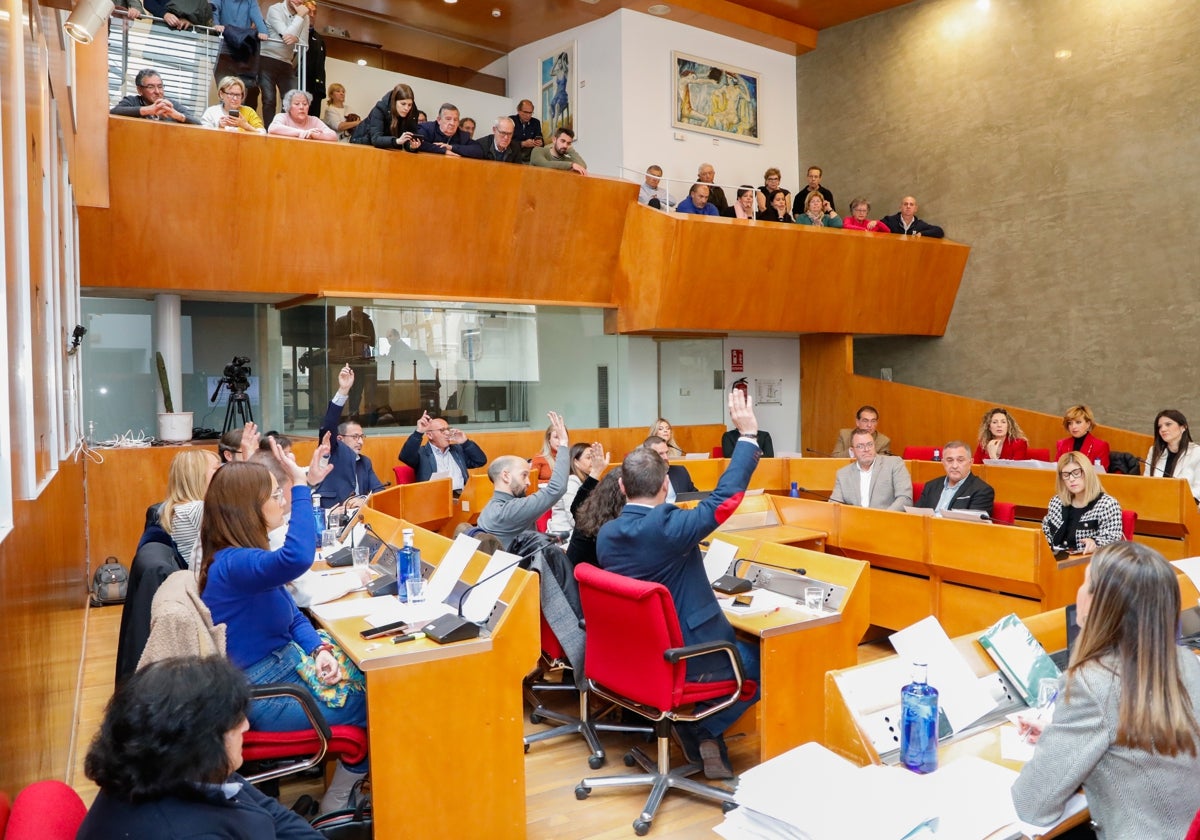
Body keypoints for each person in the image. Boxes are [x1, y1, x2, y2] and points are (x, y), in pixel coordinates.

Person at [597, 389, 763, 780]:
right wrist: (749, 437)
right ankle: (702, 728)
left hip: (637, 656)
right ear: (664, 485)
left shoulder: (608, 534)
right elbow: (723, 500)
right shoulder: (667, 527)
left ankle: (697, 731)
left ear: (622, 487)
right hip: (687, 656)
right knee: (763, 660)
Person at [199, 439, 368, 814]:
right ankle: (340, 801)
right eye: (276, 496)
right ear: (248, 508)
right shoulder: (233, 565)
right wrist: (301, 482)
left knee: (366, 671)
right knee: (385, 700)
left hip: (286, 667)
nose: (283, 502)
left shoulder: (246, 558)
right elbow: (297, 557)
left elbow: (291, 615)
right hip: (267, 693)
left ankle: (347, 790)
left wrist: (318, 649)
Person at [1011, 543, 1200, 838]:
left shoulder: (1094, 681)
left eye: (1085, 582)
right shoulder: (1186, 660)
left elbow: (1031, 805)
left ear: (1102, 604)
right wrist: (1061, 733)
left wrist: (1068, 734)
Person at [78, 656, 325, 839]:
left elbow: (272, 813)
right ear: (201, 739)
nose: (246, 726)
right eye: (235, 721)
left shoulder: (170, 767)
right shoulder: (186, 832)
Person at [477, 411, 571, 548]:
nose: (528, 482)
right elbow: (556, 489)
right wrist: (563, 443)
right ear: (506, 476)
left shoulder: (489, 509)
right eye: (524, 475)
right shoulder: (510, 510)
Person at [315, 365, 386, 510]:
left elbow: (379, 492)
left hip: (360, 518)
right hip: (333, 517)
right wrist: (343, 390)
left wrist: (365, 500)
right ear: (340, 439)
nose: (360, 441)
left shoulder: (365, 462)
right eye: (355, 437)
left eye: (362, 437)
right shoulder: (331, 451)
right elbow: (329, 424)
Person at [1041, 452, 1124, 552]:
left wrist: (1095, 543)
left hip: (1086, 563)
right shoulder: (1056, 502)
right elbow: (1045, 534)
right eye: (1066, 475)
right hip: (1054, 561)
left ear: (1087, 473)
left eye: (1076, 473)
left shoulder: (1107, 505)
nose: (1071, 479)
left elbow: (1113, 542)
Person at [398, 410, 487, 494]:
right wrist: (419, 432)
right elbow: (405, 456)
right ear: (429, 435)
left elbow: (480, 461)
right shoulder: (422, 453)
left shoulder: (457, 450)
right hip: (434, 500)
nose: (447, 433)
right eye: (442, 430)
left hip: (461, 498)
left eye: (448, 429)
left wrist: (465, 442)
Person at [161, 449, 222, 568]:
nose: (223, 473)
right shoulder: (196, 509)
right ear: (197, 476)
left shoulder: (180, 507)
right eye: (216, 469)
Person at [829, 428, 913, 510]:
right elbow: (834, 505)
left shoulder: (894, 464)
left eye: (870, 444)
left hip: (886, 521)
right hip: (854, 522)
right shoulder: (843, 474)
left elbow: (905, 499)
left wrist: (883, 517)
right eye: (860, 446)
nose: (866, 449)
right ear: (852, 451)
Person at [211, 0, 270, 112]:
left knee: (239, 95)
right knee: (226, 91)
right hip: (223, 50)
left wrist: (263, 31)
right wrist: (216, 24)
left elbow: (257, 16)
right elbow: (214, 9)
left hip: (242, 52)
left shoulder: (250, 1)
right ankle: (224, 124)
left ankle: (236, 125)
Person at [259, 0, 310, 121]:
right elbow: (286, 35)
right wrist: (299, 16)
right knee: (269, 99)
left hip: (286, 61)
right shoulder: (275, 9)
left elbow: (305, 45)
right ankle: (269, 130)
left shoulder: (305, 17)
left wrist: (296, 38)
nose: (299, 1)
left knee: (292, 99)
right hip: (267, 58)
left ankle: (282, 127)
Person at [547, 441, 607, 543]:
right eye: (588, 458)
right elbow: (574, 519)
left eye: (593, 457)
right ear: (576, 462)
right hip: (563, 535)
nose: (593, 461)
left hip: (580, 531)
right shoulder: (571, 482)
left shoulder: (588, 480)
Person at [914, 440, 994, 514]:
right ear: (943, 462)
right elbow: (916, 515)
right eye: (949, 460)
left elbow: (972, 526)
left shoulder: (982, 490)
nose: (954, 466)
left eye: (960, 460)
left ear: (971, 462)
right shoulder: (931, 486)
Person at [565, 468, 624, 568]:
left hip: (572, 577)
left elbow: (576, 504)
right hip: (588, 580)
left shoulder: (586, 514)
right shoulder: (617, 529)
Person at [1144, 409, 1200, 501]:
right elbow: (1146, 482)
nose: (1163, 429)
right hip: (1155, 502)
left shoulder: (1197, 452)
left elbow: (1198, 488)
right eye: (1159, 427)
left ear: (1183, 427)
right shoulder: (1154, 451)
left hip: (1185, 504)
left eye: (1168, 424)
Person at [331, 305, 376, 418]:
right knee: (344, 388)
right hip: (345, 361)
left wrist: (363, 338)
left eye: (360, 308)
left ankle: (354, 413)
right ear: (350, 307)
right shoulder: (341, 321)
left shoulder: (367, 322)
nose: (358, 310)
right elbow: (333, 340)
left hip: (361, 361)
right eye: (356, 307)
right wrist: (349, 338)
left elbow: (373, 341)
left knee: (358, 388)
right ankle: (344, 414)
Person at [109, 68, 200, 124]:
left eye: (160, 87)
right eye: (151, 87)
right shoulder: (132, 101)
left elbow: (197, 123)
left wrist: (177, 115)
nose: (157, 91)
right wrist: (149, 110)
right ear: (140, 90)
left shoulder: (171, 105)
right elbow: (114, 112)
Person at [350, 83, 421, 151]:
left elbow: (408, 139)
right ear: (394, 102)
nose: (407, 108)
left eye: (409, 105)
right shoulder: (380, 108)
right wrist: (397, 141)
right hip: (361, 143)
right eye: (403, 104)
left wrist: (412, 146)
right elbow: (376, 139)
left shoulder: (413, 113)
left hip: (387, 147)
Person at [201, 76, 266, 134]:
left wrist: (245, 126)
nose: (235, 98)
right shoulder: (211, 112)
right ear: (221, 94)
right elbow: (202, 135)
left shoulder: (249, 112)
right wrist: (219, 127)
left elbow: (263, 135)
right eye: (231, 94)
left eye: (238, 95)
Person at [1055, 404, 1111, 470]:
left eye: (1078, 422)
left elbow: (1101, 474)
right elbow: (1056, 470)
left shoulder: (1100, 446)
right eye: (1070, 423)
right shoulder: (1062, 444)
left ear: (1088, 424)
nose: (1073, 427)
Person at [416, 102, 481, 158]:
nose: (452, 123)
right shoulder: (428, 128)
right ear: (439, 120)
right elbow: (417, 142)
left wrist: (451, 147)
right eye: (448, 119)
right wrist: (443, 151)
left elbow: (478, 151)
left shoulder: (462, 135)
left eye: (455, 120)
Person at [267, 89, 337, 141]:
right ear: (289, 107)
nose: (301, 107)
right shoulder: (282, 116)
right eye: (297, 104)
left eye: (305, 104)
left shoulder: (314, 120)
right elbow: (273, 128)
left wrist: (315, 135)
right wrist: (303, 133)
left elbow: (333, 136)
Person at [646, 435, 697, 503]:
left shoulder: (680, 472)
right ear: (648, 455)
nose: (666, 457)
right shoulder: (641, 478)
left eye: (666, 453)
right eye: (661, 454)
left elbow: (695, 496)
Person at [510, 98, 543, 162]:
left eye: (530, 113)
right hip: (514, 155)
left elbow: (540, 138)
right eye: (525, 112)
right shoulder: (511, 120)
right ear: (518, 110)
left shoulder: (536, 122)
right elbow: (506, 142)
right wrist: (522, 144)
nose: (528, 115)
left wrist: (540, 143)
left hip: (531, 156)